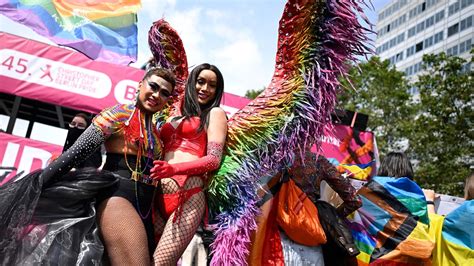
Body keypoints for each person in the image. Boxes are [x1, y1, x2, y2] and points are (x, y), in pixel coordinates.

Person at [0, 67, 176, 265]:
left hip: (146, 209)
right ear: (140, 85)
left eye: (164, 93)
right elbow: (76, 154)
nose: (156, 95)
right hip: (118, 199)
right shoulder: (119, 114)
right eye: (153, 86)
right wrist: (34, 187)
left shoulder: (156, 130)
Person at [149, 63, 227, 264]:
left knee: (160, 263)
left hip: (188, 196)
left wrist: (173, 168)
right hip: (156, 195)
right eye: (201, 82)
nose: (205, 89)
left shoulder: (215, 114)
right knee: (143, 259)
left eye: (212, 85)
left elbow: (213, 160)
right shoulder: (172, 115)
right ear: (192, 82)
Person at [249, 151, 362, 265]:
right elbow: (354, 200)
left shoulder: (271, 160)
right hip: (313, 240)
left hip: (277, 244)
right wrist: (327, 219)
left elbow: (252, 200)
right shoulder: (318, 161)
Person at [346, 151, 435, 265]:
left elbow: (353, 216)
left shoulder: (372, 189)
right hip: (410, 256)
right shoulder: (417, 194)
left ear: (384, 167)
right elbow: (423, 226)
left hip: (378, 255)